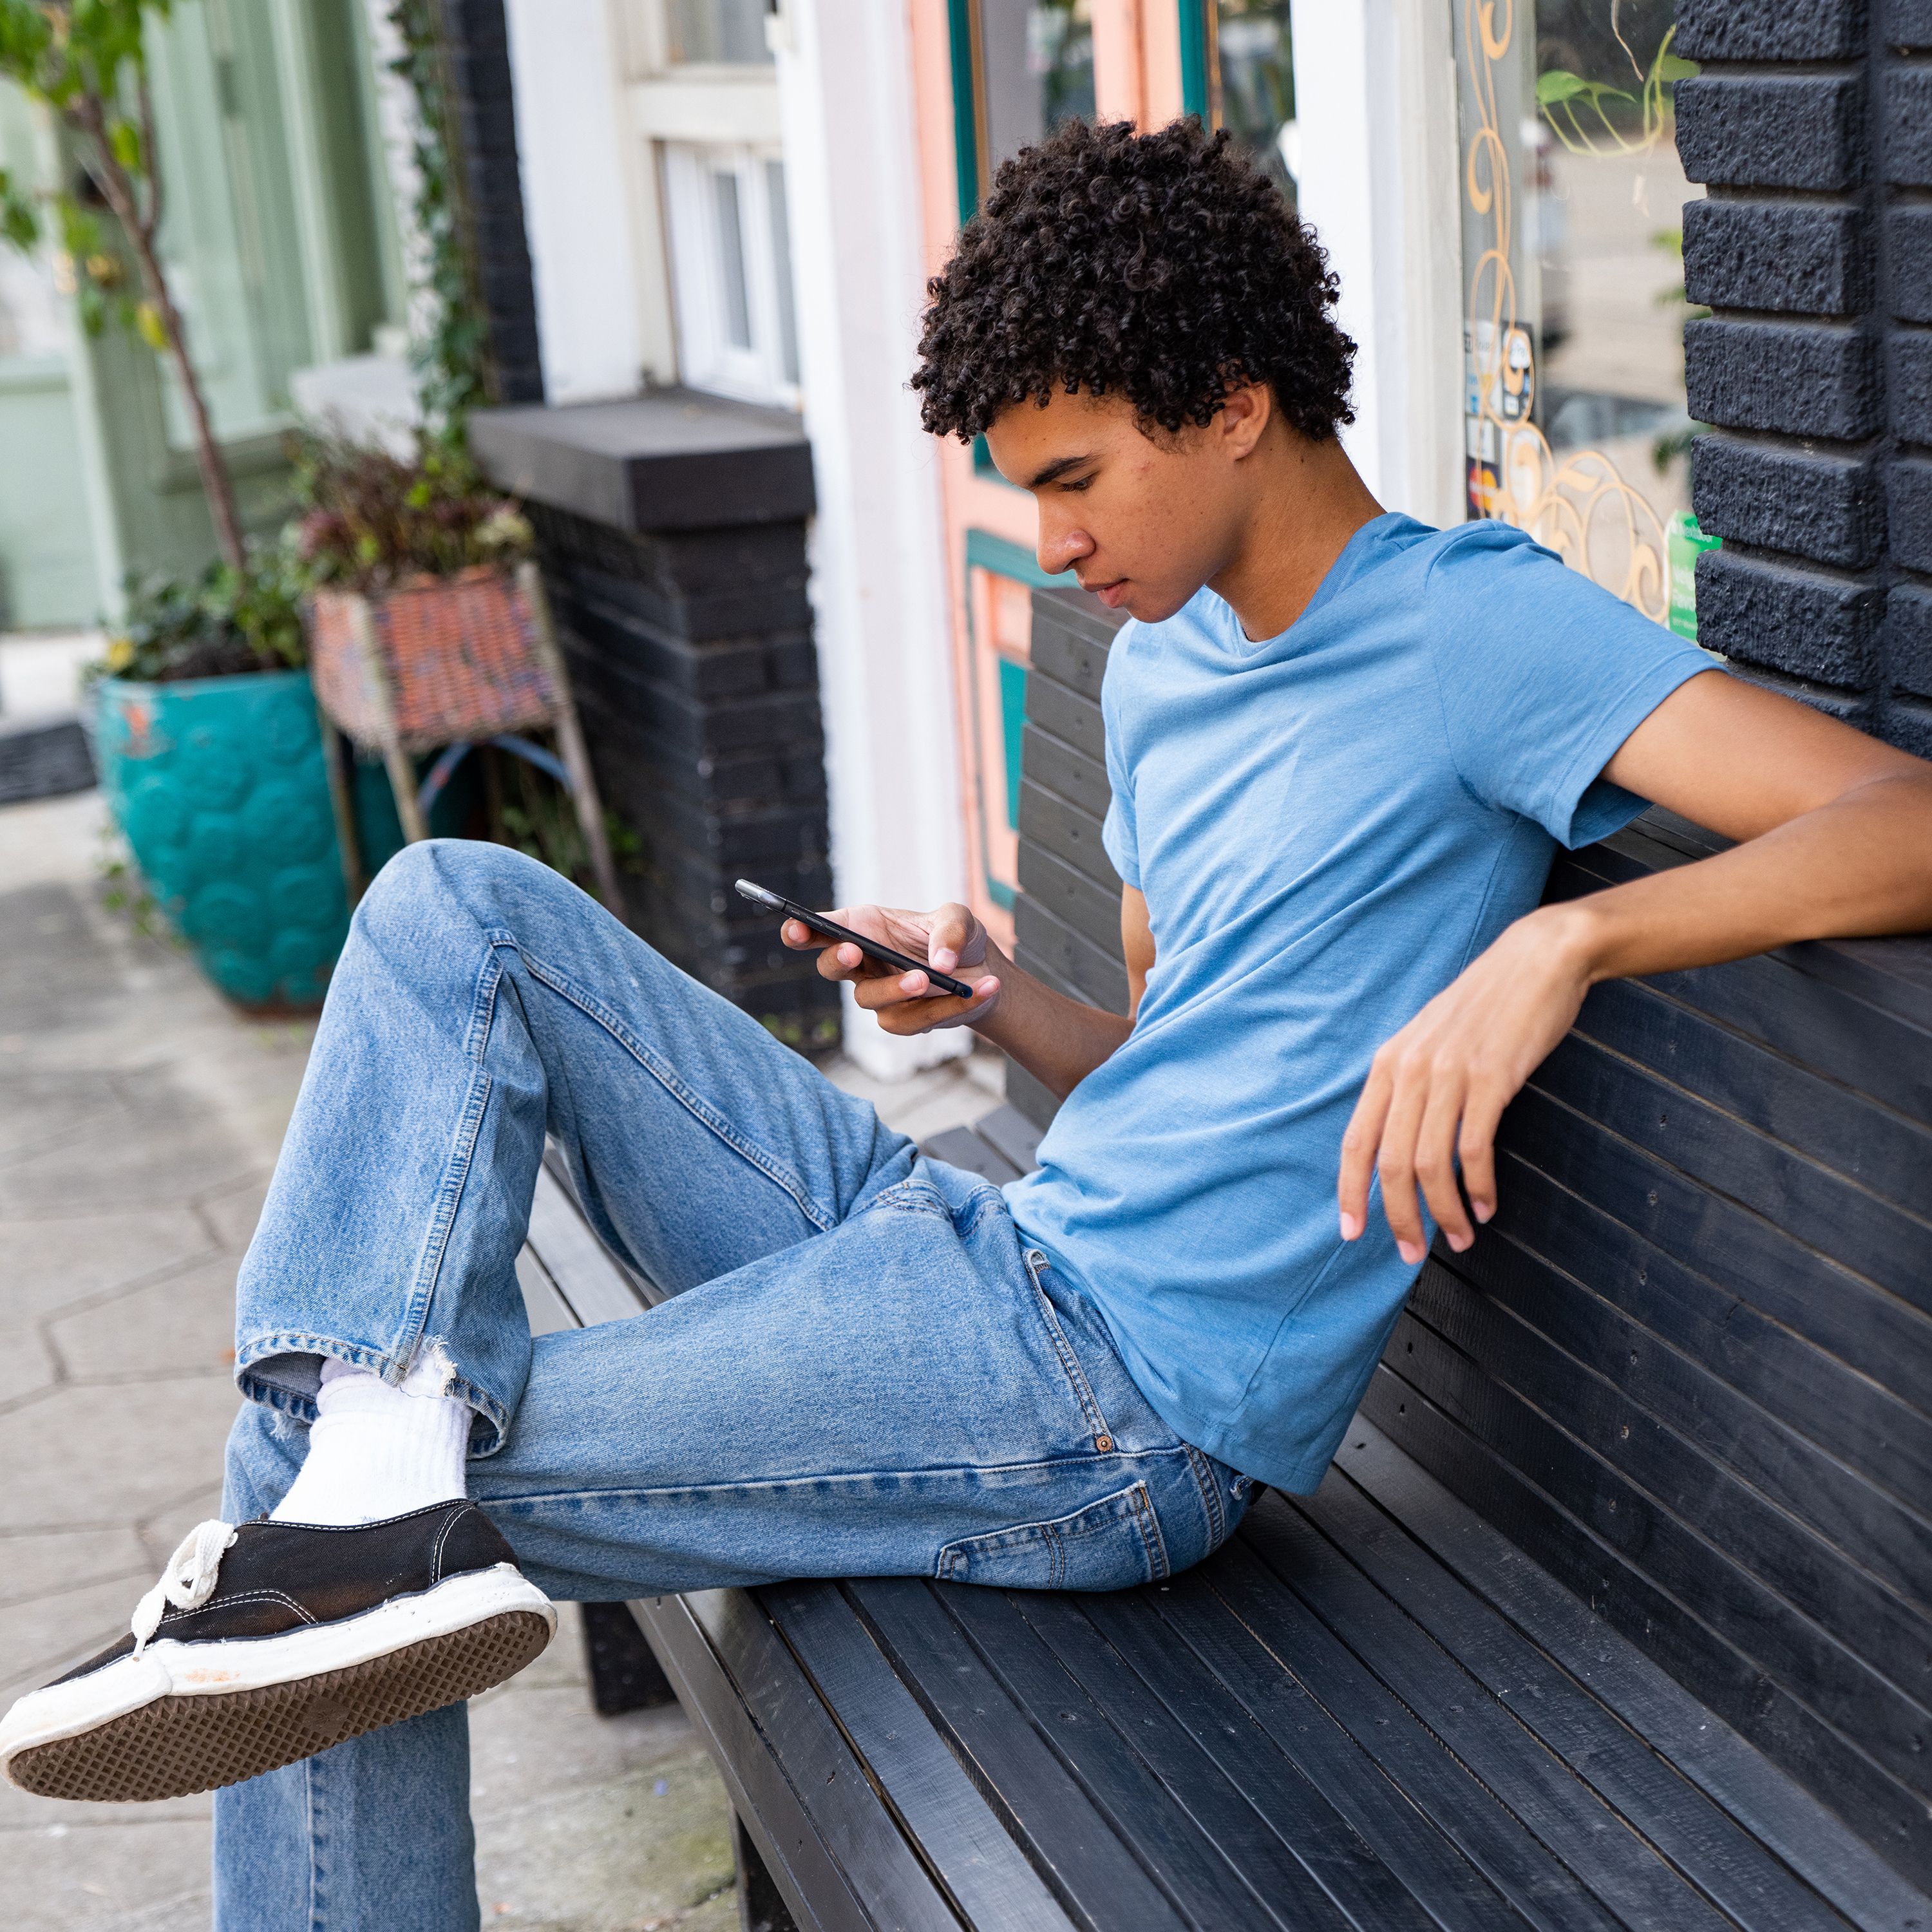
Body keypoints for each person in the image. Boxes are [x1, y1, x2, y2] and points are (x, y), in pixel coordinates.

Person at [7, 117, 1932, 1929]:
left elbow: (1904, 819)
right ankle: (371, 1449)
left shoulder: (1481, 635)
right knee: (457, 913)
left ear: (1238, 407)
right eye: (1026, 490)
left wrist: (1560, 953)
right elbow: (1180, 1061)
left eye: (1075, 476)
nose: (1056, 537)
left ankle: (353, 1504)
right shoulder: (1167, 668)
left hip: (1117, 1401)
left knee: (335, 1507)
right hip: (985, 1256)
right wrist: (1002, 1002)